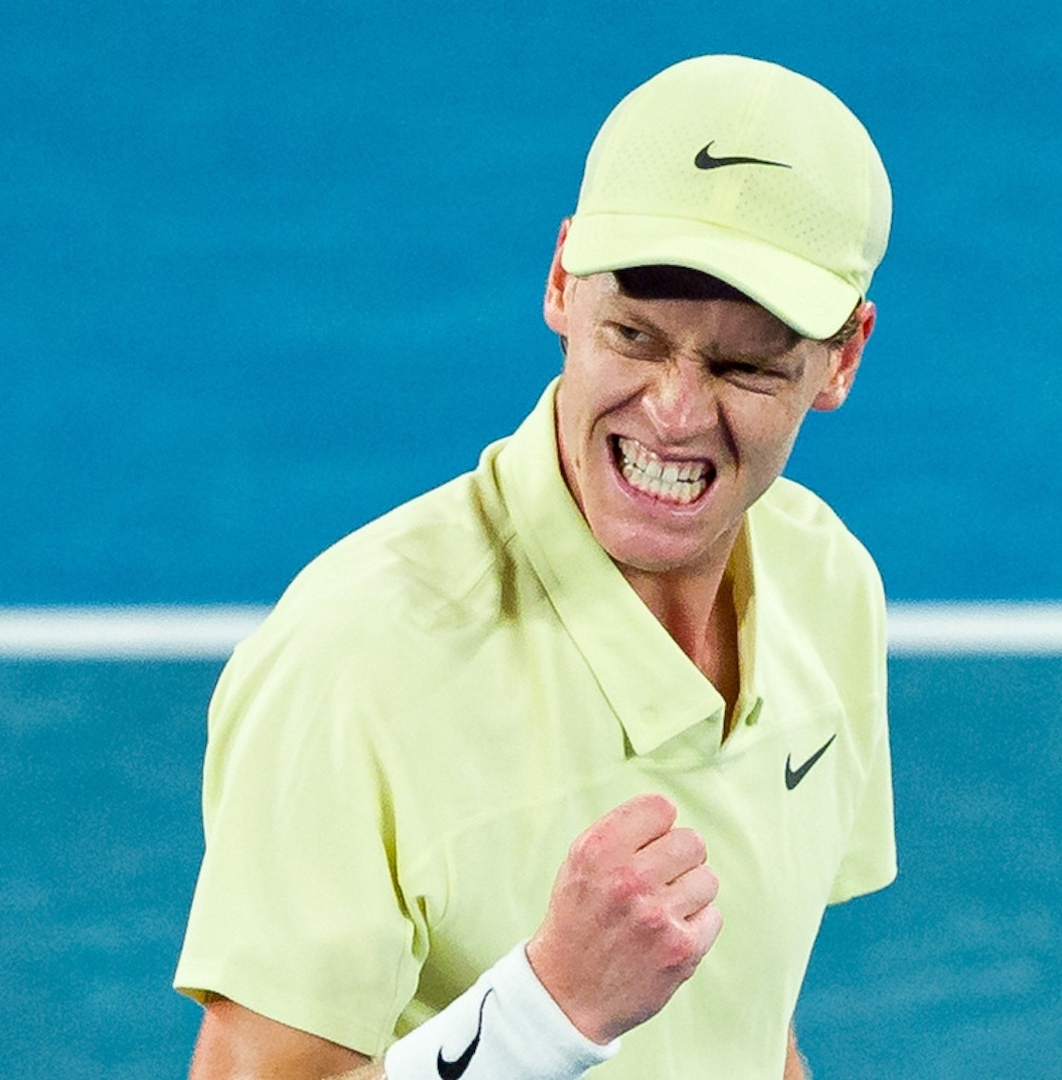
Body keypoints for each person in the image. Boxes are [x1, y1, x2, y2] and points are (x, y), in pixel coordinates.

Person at [176, 54, 896, 1080]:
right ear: (561, 282)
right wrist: (544, 1012)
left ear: (843, 357)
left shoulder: (828, 587)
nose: (674, 414)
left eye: (743, 365)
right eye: (634, 337)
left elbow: (744, 1024)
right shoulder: (354, 660)